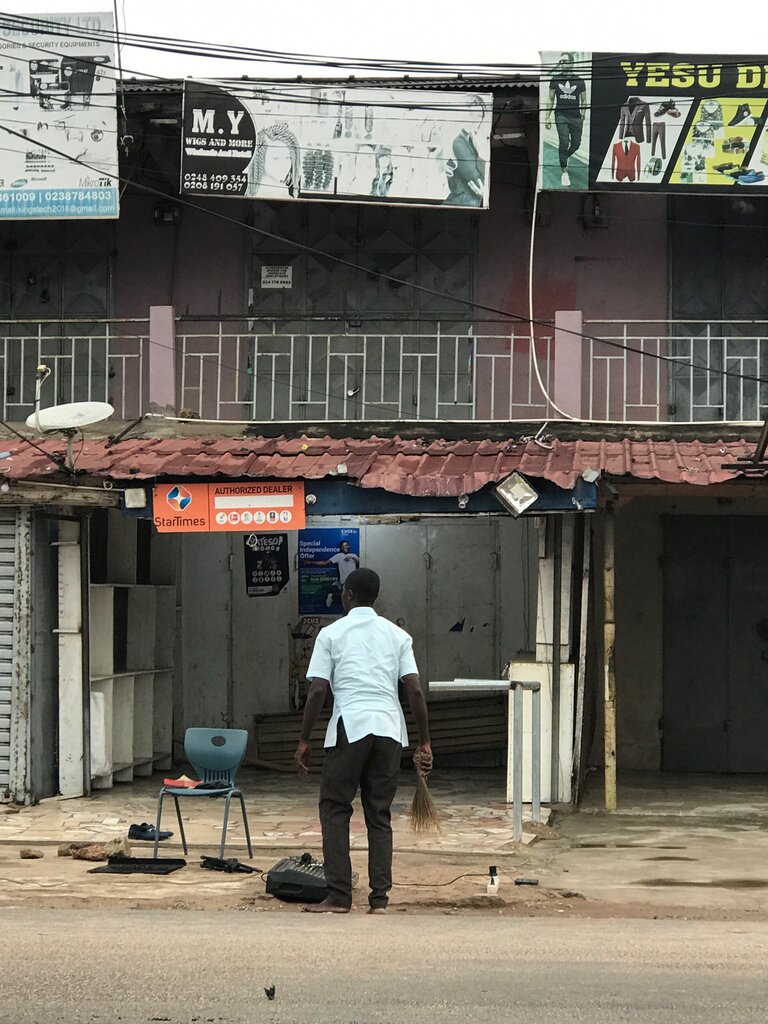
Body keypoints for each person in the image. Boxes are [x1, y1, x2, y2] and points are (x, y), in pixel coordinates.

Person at [294, 567, 432, 914]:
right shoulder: (398, 635)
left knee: (335, 808)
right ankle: (379, 899)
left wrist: (304, 740)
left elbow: (317, 690)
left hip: (350, 727)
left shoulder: (331, 634)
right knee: (379, 814)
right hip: (388, 730)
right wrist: (424, 741)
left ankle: (339, 896)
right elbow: (413, 688)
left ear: (349, 594)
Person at [544, 52, 587, 188]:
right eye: (560, 61)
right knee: (564, 141)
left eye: (565, 61)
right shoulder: (555, 79)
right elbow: (550, 99)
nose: (562, 64)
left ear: (572, 63)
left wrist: (583, 114)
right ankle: (564, 171)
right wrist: (547, 117)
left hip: (575, 117)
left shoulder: (579, 81)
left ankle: (564, 157)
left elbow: (584, 100)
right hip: (560, 115)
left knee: (576, 144)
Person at [444, 94, 487, 206]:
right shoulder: (458, 142)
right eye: (470, 114)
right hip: (462, 203)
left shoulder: (471, 140)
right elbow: (479, 182)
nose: (474, 120)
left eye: (478, 116)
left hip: (470, 203)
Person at [303, 539, 360, 609]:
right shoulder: (339, 556)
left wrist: (352, 557)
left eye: (346, 545)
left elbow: (360, 562)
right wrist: (310, 562)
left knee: (353, 596)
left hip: (354, 580)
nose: (345, 547)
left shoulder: (353, 555)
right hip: (345, 580)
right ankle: (333, 596)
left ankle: (333, 595)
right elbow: (325, 563)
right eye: (343, 546)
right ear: (341, 548)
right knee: (346, 597)